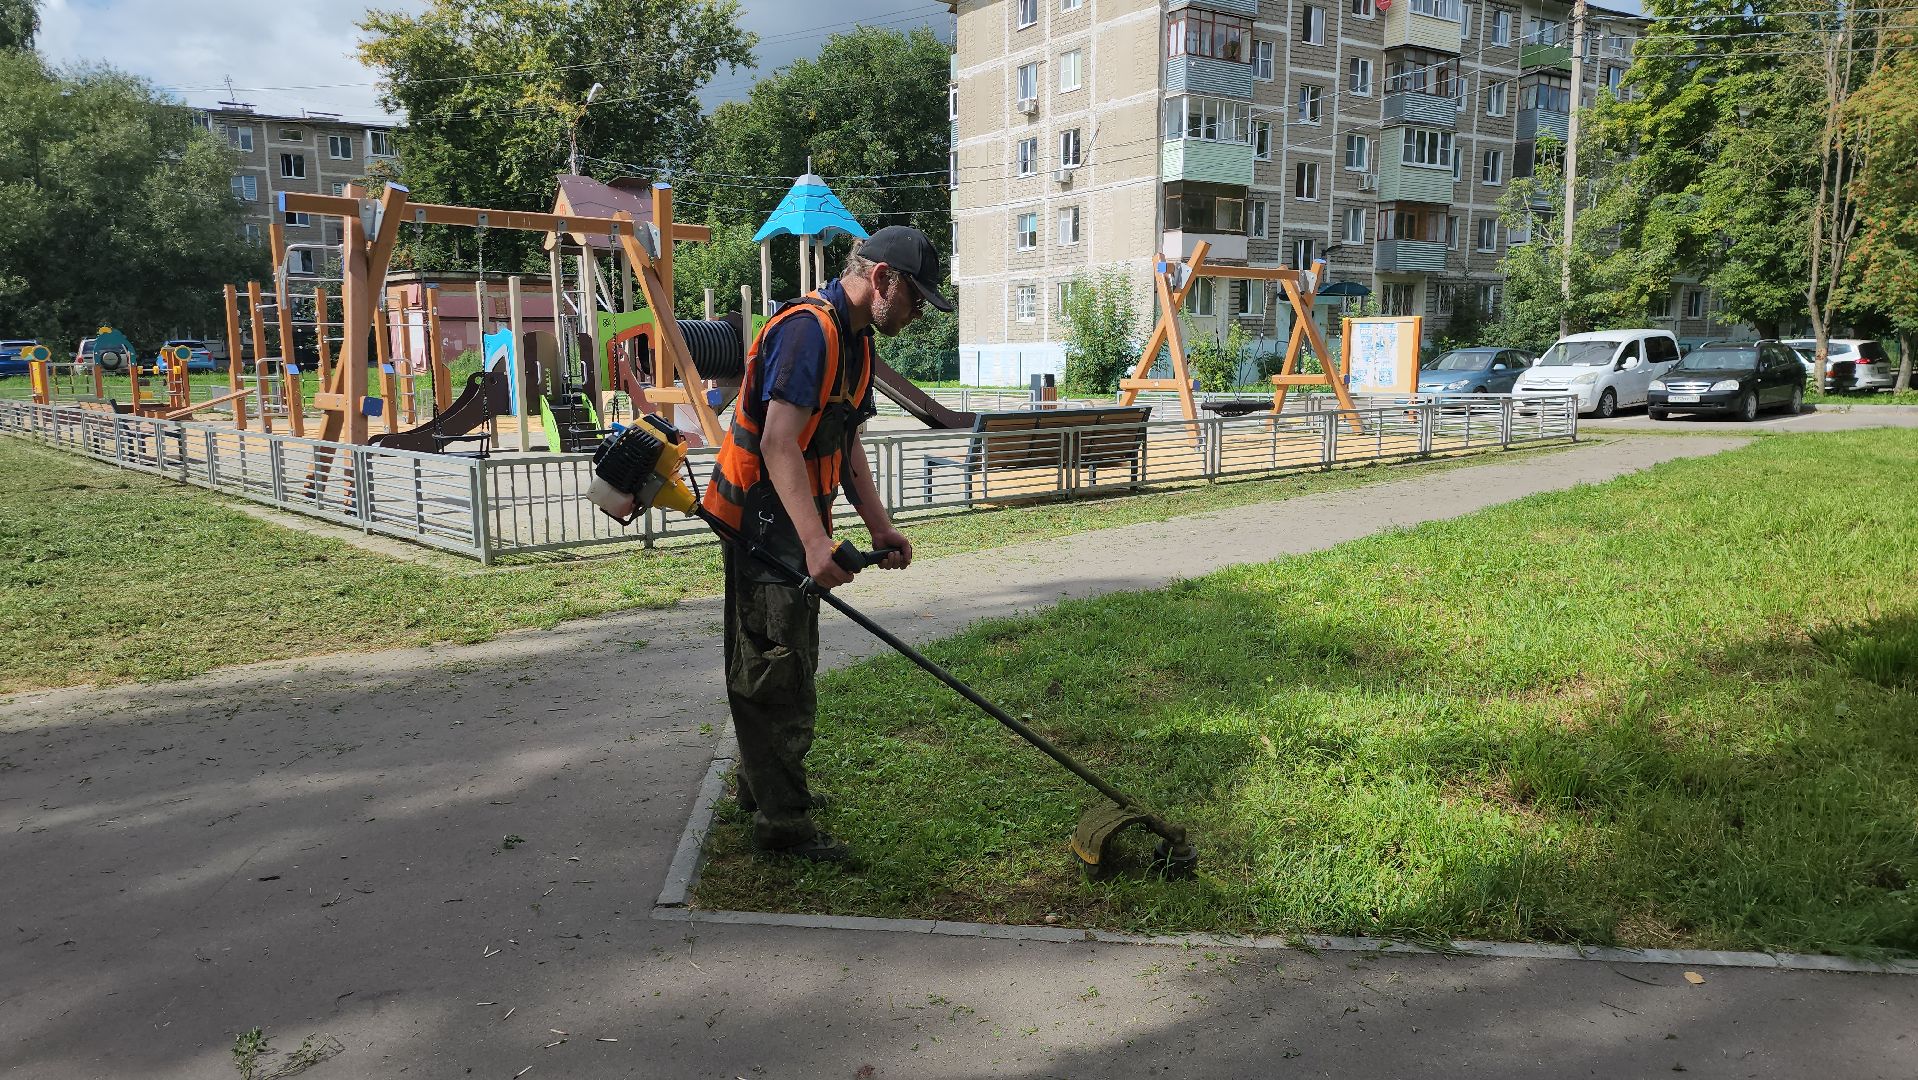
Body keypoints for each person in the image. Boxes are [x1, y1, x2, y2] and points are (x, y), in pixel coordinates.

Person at [701, 225, 954, 863]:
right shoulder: (808, 333)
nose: (919, 311)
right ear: (882, 279)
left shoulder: (858, 341)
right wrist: (815, 545)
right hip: (762, 518)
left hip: (795, 519)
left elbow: (845, 444)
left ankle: (760, 788)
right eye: (915, 296)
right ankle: (783, 829)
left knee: (780, 659)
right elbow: (779, 442)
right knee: (777, 670)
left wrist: (879, 526)